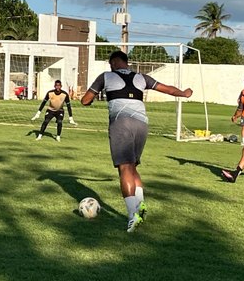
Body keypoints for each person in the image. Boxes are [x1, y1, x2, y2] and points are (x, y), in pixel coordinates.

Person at [81, 51, 192, 233]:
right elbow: (168, 89)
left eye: (111, 64)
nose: (111, 67)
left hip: (121, 122)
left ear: (115, 62)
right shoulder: (142, 77)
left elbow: (85, 100)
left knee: (124, 168)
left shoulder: (105, 76)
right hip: (142, 124)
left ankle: (132, 215)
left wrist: (89, 101)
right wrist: (184, 93)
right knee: (132, 167)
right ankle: (140, 204)